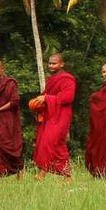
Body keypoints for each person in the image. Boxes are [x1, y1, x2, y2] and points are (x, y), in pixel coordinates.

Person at [30, 52, 76, 180]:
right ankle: (67, 177)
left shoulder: (67, 78)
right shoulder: (51, 80)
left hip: (62, 116)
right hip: (51, 115)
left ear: (62, 64)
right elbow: (45, 94)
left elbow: (68, 97)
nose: (51, 66)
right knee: (58, 145)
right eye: (50, 63)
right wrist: (38, 103)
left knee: (49, 142)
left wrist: (46, 98)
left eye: (54, 63)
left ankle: (42, 174)